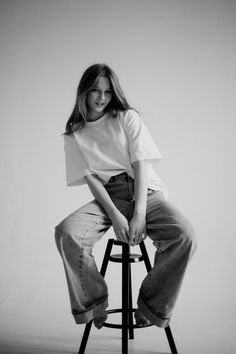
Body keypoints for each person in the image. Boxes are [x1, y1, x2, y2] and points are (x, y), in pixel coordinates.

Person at [55, 63, 196, 330]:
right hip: (109, 195)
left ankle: (151, 306)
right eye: (95, 90)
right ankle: (95, 304)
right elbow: (91, 180)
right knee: (66, 233)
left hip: (147, 191)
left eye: (108, 92)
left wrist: (139, 214)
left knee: (185, 237)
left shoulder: (126, 117)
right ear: (83, 91)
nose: (102, 98)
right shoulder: (74, 135)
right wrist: (116, 216)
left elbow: (141, 163)